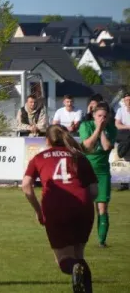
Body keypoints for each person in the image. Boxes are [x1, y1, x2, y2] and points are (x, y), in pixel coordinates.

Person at [21, 125, 97, 293]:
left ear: (47, 140)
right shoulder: (79, 156)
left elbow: (26, 185)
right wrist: (82, 206)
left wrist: (38, 210)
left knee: (65, 261)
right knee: (79, 255)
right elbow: (93, 191)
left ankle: (74, 268)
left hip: (56, 207)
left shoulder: (39, 158)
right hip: (83, 206)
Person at [78, 102, 117, 248]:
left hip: (102, 172)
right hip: (86, 170)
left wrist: (101, 130)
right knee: (83, 207)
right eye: (99, 115)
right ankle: (81, 237)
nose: (102, 119)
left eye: (105, 116)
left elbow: (107, 147)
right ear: (93, 115)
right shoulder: (85, 126)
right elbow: (87, 147)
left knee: (102, 207)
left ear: (108, 118)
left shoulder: (112, 129)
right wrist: (97, 129)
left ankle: (102, 241)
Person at [113, 92, 130, 191]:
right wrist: (128, 127)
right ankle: (124, 183)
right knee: (124, 160)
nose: (129, 102)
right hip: (124, 135)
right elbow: (117, 124)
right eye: (127, 100)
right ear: (124, 101)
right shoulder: (120, 110)